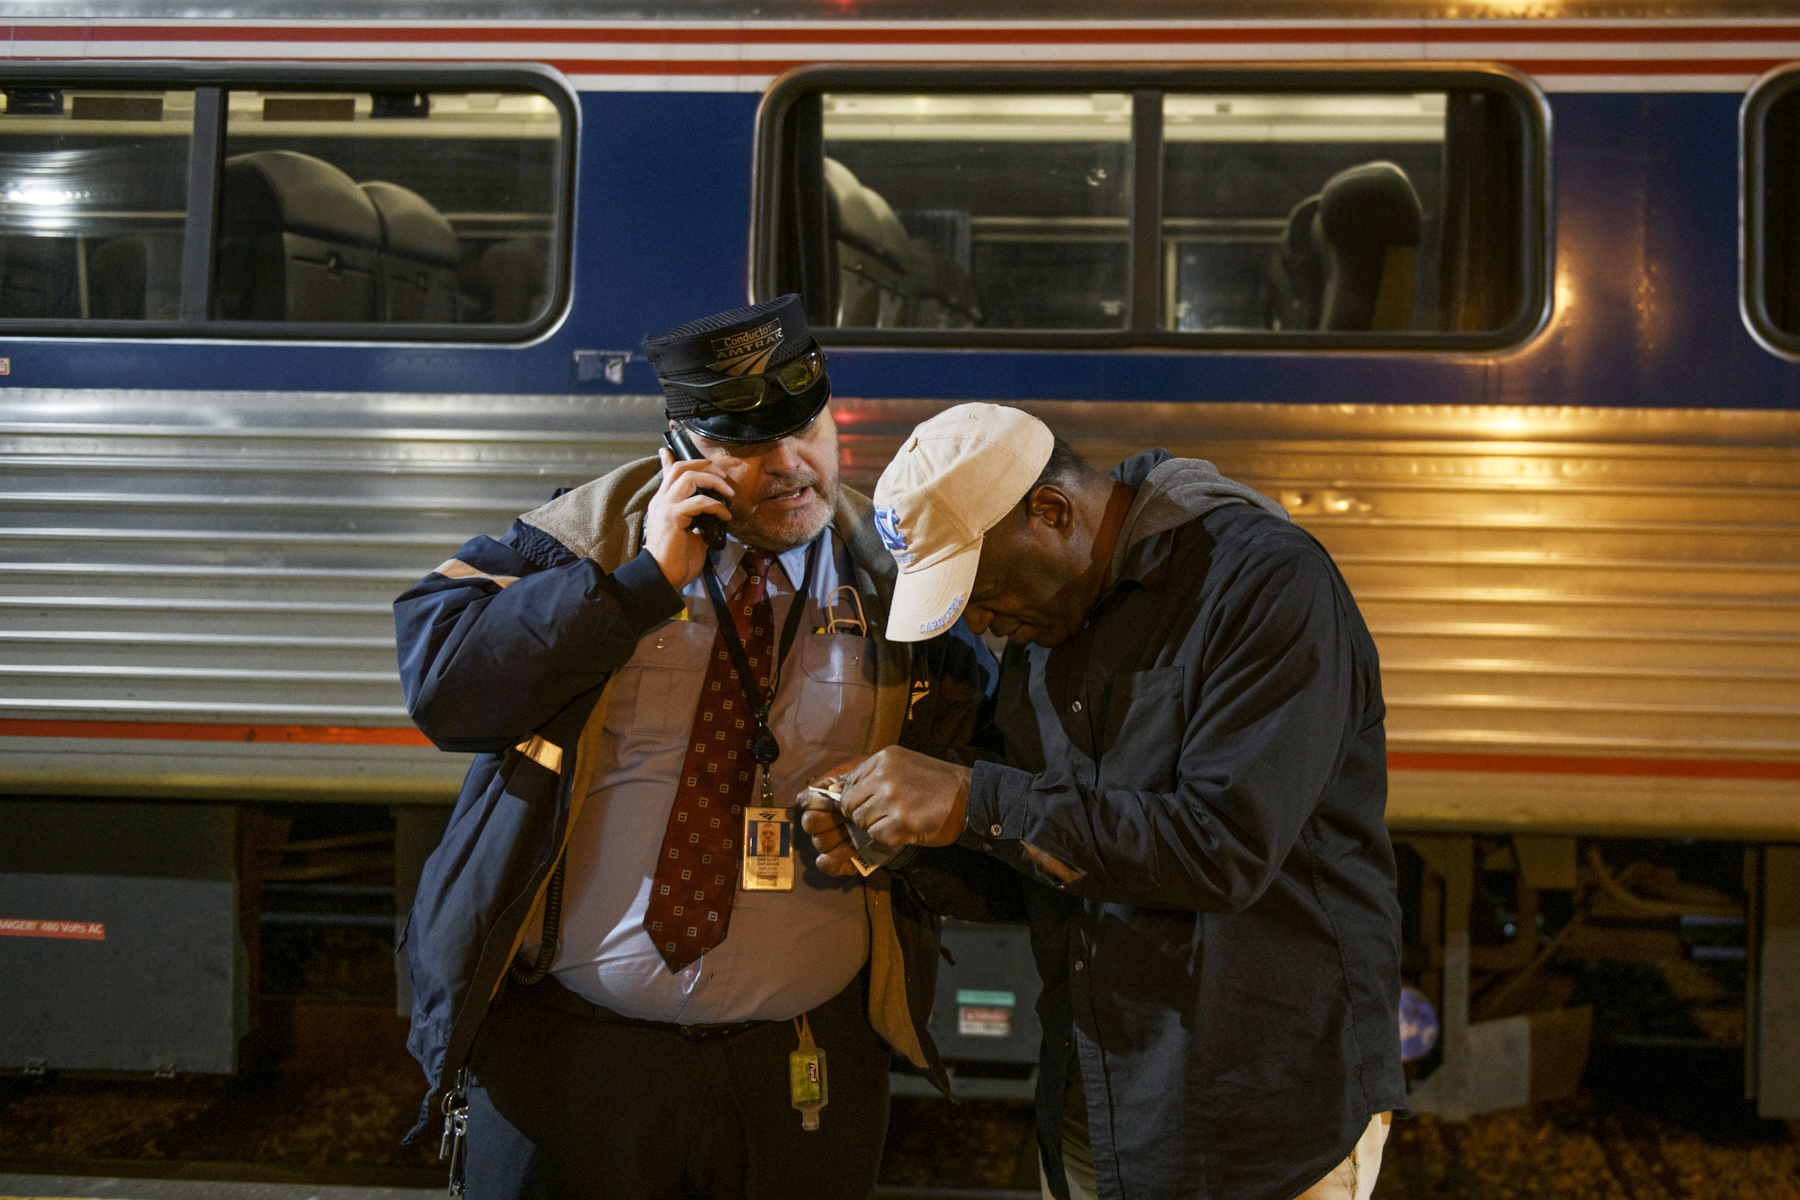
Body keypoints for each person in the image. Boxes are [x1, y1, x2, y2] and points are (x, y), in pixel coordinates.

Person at [393, 295, 987, 1200]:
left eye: (808, 427)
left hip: (799, 1069)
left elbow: (984, 778)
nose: (791, 466)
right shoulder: (582, 545)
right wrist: (636, 586)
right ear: (683, 452)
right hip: (574, 1060)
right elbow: (445, 689)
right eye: (749, 445)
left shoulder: (896, 579)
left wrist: (919, 823)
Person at [803, 403, 1406, 1200]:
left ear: (1051, 512)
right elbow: (1051, 868)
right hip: (1105, 1110)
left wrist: (974, 798)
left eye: (983, 591)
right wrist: (907, 844)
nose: (981, 623)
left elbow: (1220, 849)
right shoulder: (1050, 625)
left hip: (1260, 1122)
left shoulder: (1261, 581)